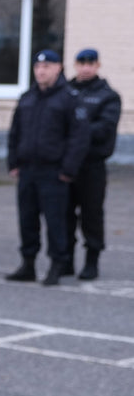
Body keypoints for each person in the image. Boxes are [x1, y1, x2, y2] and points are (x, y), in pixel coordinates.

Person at [5, 50, 89, 285]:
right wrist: (13, 162)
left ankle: (56, 264)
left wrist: (68, 169)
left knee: (55, 221)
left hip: (54, 172)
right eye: (38, 67)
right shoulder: (27, 98)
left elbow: (79, 137)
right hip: (27, 170)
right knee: (27, 219)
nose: (41, 71)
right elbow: (15, 133)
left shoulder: (69, 98)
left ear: (58, 68)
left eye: (47, 67)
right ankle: (28, 264)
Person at [65, 48, 122, 279]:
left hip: (91, 165)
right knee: (64, 215)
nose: (85, 67)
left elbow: (104, 130)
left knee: (91, 215)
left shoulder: (108, 96)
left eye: (90, 63)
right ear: (75, 65)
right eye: (81, 63)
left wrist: (76, 130)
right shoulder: (65, 92)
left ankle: (92, 261)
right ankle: (65, 259)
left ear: (98, 65)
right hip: (67, 164)